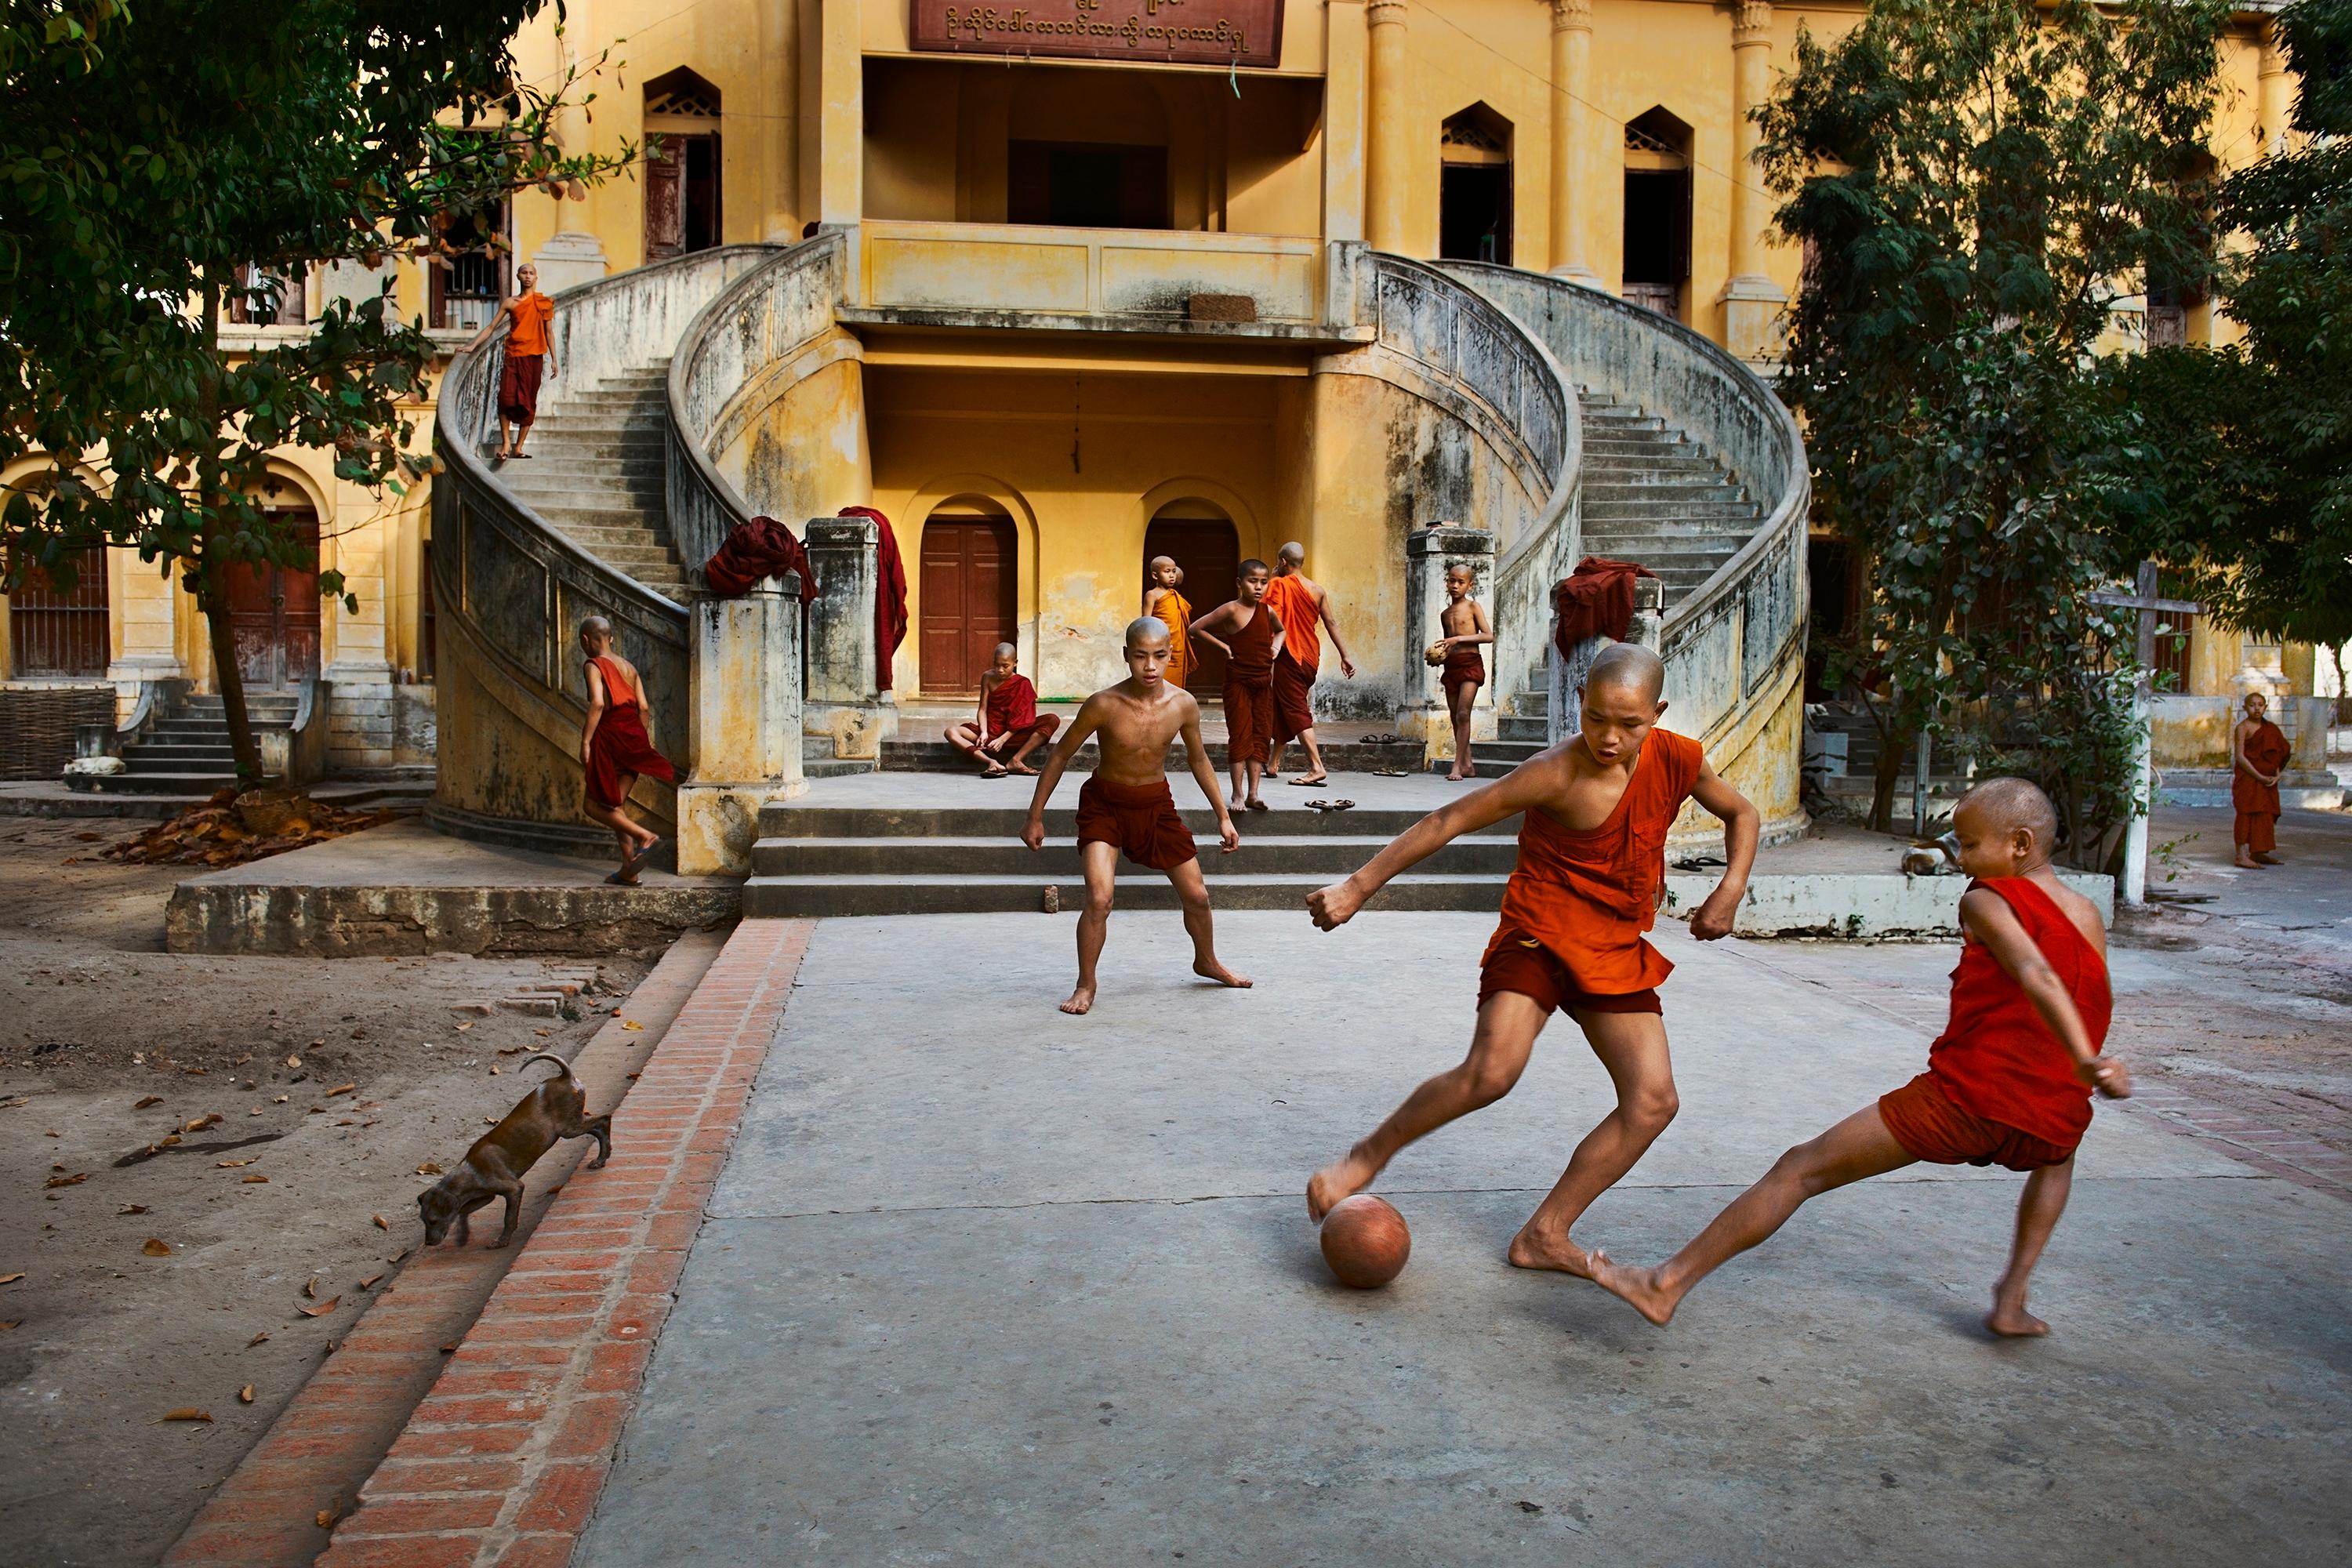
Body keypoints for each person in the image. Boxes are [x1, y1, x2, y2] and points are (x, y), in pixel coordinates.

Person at [1587, 778, 2129, 1338]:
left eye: (1970, 846)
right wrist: (2086, 1064)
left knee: (1800, 1169)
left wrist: (2084, 1056)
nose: (1961, 860)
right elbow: (2088, 993)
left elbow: (2037, 974)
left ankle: (1665, 1284)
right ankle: (2011, 1297)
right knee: (2057, 1161)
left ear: (2019, 844)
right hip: (2054, 1110)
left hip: (1969, 1097)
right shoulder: (2087, 913)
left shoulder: (1986, 900)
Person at [1302, 643, 1759, 1279]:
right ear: (1580, 703)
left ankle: (1545, 1233)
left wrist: (1729, 889)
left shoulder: (1680, 759)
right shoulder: (1556, 771)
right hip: (1539, 934)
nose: (1609, 736)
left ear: (1657, 714)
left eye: (1630, 724)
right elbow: (1449, 818)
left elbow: (1743, 812)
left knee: (1653, 1102)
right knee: (1492, 1072)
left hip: (1614, 944)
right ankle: (1366, 1157)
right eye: (1597, 718)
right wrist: (1357, 887)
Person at [1022, 617, 1251, 1015]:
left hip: (1156, 806)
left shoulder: (1183, 704)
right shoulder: (1104, 704)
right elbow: (1061, 755)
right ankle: (1085, 985)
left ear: (1170, 656)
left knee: (1197, 895)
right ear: (1126, 656)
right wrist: (1035, 816)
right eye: (1141, 656)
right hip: (1105, 805)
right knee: (1099, 897)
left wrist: (1224, 816)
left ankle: (1207, 961)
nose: (1150, 666)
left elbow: (1199, 760)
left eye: (1159, 657)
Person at [577, 616, 674, 885]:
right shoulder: (629, 667)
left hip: (608, 738)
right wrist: (637, 742)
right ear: (611, 638)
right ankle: (629, 871)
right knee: (614, 807)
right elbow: (643, 708)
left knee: (593, 806)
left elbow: (598, 703)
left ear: (585, 641)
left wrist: (586, 742)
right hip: (633, 739)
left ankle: (646, 836)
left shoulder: (593, 665)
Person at [1187, 561, 1286, 814]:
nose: (1259, 587)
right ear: (1240, 583)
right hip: (1238, 683)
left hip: (1263, 683)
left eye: (1264, 582)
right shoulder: (1231, 610)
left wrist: (1276, 646)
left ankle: (1254, 794)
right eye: (1253, 581)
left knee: (1261, 736)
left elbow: (1281, 631)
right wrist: (1223, 647)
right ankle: (1238, 794)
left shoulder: (1268, 612)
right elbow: (1195, 628)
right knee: (1240, 736)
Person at [1262, 543, 1358, 786]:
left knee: (1295, 709)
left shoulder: (1278, 585)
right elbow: (1332, 623)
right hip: (1310, 656)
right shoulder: (1317, 590)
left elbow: (1264, 612)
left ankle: (1316, 767)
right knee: (1284, 707)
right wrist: (1345, 655)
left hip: (1289, 656)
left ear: (1283, 562)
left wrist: (1273, 579)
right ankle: (1273, 763)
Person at [463, 262, 557, 462]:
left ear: (536, 278)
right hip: (513, 355)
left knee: (529, 402)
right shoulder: (510, 303)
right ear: (518, 276)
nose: (528, 276)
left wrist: (555, 359)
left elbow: (549, 333)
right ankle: (506, 442)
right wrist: (472, 346)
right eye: (524, 273)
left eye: (532, 273)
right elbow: (491, 328)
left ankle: (519, 447)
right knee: (504, 399)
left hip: (534, 358)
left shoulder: (543, 303)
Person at [946, 643, 1061, 777]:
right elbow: (983, 709)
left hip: (1014, 734)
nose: (1000, 670)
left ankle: (1016, 760)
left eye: (1005, 666)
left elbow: (1021, 720)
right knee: (951, 732)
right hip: (990, 732)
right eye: (996, 665)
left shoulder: (1023, 683)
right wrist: (983, 732)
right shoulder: (988, 677)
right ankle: (991, 762)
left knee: (1052, 719)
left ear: (1015, 663)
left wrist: (1002, 739)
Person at [1432, 564, 1494, 782]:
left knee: (1463, 714)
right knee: (1454, 716)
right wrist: (1437, 656)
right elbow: (1449, 644)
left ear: (1470, 585)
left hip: (1470, 665)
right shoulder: (1445, 614)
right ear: (1447, 582)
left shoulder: (1473, 607)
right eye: (1451, 581)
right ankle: (1467, 763)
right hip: (1452, 666)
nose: (1455, 586)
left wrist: (1458, 639)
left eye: (1460, 582)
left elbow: (1488, 636)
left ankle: (1456, 766)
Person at [2231, 691, 2292, 869]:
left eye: (2260, 704)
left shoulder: (2271, 728)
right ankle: (2241, 855)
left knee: (2264, 815)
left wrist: (2277, 775)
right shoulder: (2242, 728)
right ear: (2245, 708)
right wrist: (2259, 776)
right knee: (2246, 813)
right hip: (2249, 779)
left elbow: (2282, 753)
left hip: (2267, 780)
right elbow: (2240, 757)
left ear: (2266, 707)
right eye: (2252, 705)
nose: (2257, 708)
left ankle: (2258, 853)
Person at [1142, 557, 1194, 689]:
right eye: (1167, 572)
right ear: (1155, 575)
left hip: (1178, 645)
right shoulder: (1152, 595)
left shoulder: (1175, 595)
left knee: (1176, 681)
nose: (1172, 576)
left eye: (1173, 571)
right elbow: (1146, 621)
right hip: (1160, 642)